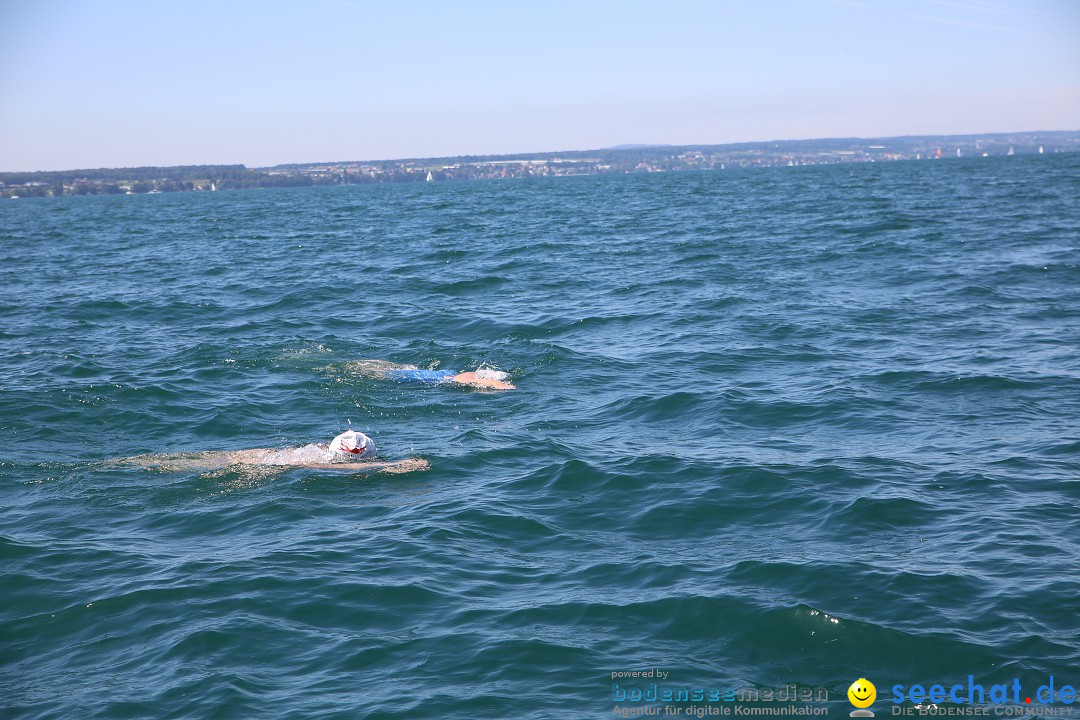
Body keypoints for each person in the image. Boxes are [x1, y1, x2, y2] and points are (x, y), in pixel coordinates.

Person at [113, 430, 429, 473]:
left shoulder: (318, 450)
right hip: (279, 467)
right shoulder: (334, 466)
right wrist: (401, 463)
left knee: (224, 459)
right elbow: (357, 468)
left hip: (276, 454)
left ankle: (143, 463)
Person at [344, 359, 516, 390]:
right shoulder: (462, 377)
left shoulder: (462, 375)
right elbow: (467, 380)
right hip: (412, 377)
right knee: (381, 374)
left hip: (430, 375)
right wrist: (503, 386)